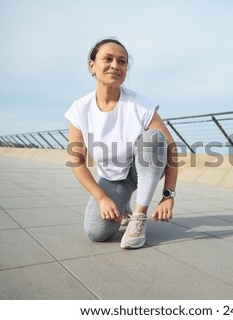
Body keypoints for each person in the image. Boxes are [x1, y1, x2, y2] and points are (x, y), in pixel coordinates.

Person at [64, 38, 178, 249]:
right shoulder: (80, 109)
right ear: (92, 65)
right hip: (112, 179)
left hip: (141, 169)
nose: (115, 65)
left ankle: (139, 218)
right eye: (107, 59)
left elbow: (171, 149)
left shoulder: (140, 105)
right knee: (96, 232)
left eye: (122, 61)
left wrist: (168, 195)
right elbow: (77, 161)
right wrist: (102, 198)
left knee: (154, 137)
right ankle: (122, 204)